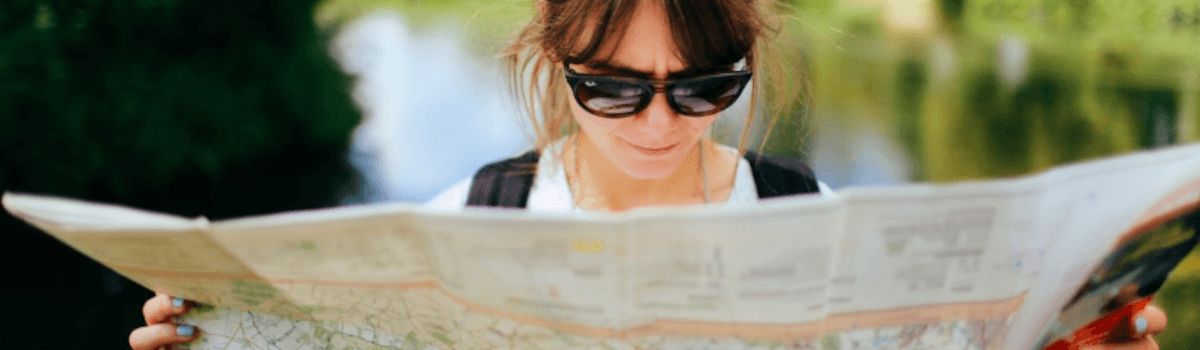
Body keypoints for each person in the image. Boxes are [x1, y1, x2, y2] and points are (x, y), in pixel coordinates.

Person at [128, 0, 1167, 349]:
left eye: (703, 85)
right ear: (554, 65)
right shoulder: (472, 218)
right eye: (616, 88)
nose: (660, 122)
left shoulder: (815, 218)